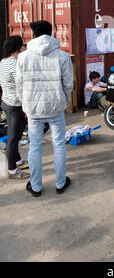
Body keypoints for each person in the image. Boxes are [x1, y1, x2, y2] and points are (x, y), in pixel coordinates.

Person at [16, 20, 74, 197]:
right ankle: (60, 183)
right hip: (56, 108)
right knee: (59, 145)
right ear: (51, 33)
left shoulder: (23, 57)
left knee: (34, 147)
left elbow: (19, 85)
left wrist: (25, 105)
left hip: (33, 109)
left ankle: (36, 187)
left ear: (33, 35)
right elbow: (68, 85)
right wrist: (62, 101)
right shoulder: (62, 56)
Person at [0, 36, 29, 180]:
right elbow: (22, 88)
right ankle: (12, 170)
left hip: (6, 102)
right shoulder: (17, 64)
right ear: (19, 48)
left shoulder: (3, 62)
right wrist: (26, 108)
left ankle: (17, 160)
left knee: (14, 136)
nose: (25, 47)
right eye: (23, 45)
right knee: (13, 138)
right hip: (17, 106)